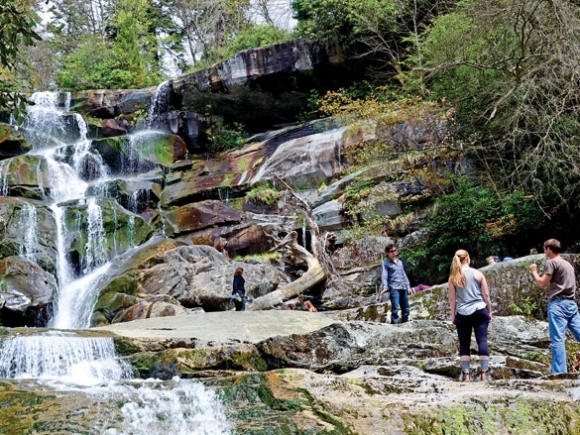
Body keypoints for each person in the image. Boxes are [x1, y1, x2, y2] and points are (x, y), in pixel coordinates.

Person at [530, 239, 580, 374]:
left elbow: (542, 283)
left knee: (557, 340)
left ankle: (560, 374)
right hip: (571, 304)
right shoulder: (567, 264)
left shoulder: (552, 262)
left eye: (544, 249)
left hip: (558, 304)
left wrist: (534, 271)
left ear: (548, 249)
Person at [448, 249, 493, 382]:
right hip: (480, 309)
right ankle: (485, 373)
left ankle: (466, 375)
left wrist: (453, 315)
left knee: (464, 344)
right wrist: (489, 311)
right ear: (467, 258)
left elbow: (452, 299)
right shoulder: (478, 274)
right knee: (482, 340)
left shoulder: (453, 278)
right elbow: (486, 295)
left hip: (462, 313)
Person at [380, 243, 412, 324]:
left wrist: (408, 287)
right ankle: (394, 327)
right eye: (392, 251)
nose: (394, 252)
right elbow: (384, 275)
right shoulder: (386, 263)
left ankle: (405, 325)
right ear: (388, 253)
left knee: (406, 309)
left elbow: (404, 275)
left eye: (395, 250)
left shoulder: (400, 262)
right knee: (395, 309)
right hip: (394, 288)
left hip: (403, 287)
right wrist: (385, 287)